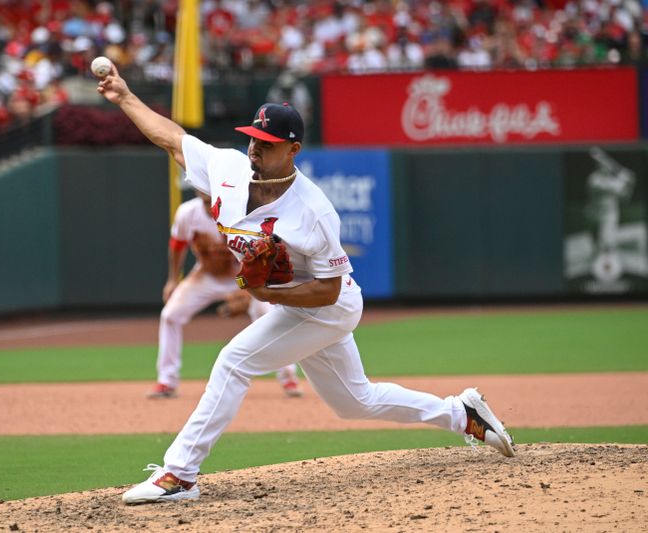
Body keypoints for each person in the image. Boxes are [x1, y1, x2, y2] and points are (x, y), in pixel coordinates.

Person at [95, 64, 515, 505]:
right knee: (355, 401)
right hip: (295, 305)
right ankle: (461, 413)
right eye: (253, 138)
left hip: (327, 305)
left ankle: (179, 475)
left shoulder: (313, 212)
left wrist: (263, 294)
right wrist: (125, 97)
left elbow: (329, 291)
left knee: (234, 362)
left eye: (268, 143)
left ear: (293, 149)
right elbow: (172, 139)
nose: (255, 148)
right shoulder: (228, 168)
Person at [149, 190, 302, 399]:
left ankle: (288, 377)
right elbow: (177, 245)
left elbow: (259, 255)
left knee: (270, 316)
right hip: (205, 276)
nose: (203, 191)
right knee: (170, 315)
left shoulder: (237, 212)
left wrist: (249, 291)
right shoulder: (188, 212)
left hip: (241, 277)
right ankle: (166, 381)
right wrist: (173, 279)